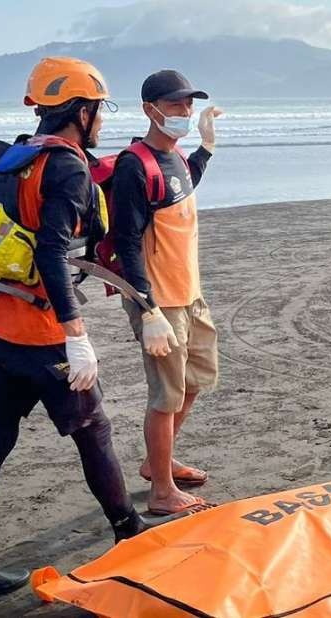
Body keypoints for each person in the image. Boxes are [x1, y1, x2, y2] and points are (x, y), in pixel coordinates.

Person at [0, 56, 153, 610]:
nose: (101, 119)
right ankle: (129, 532)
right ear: (81, 110)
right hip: (42, 336)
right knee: (93, 431)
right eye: (99, 108)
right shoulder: (67, 167)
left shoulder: (12, 157)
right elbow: (51, 250)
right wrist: (76, 334)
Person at [111, 69, 223, 515]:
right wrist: (148, 308)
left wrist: (206, 149)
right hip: (159, 300)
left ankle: (158, 461)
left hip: (190, 295)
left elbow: (183, 183)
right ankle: (161, 491)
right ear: (150, 110)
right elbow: (125, 242)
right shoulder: (132, 165)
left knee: (194, 382)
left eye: (188, 105)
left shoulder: (174, 158)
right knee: (166, 396)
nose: (185, 112)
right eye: (176, 105)